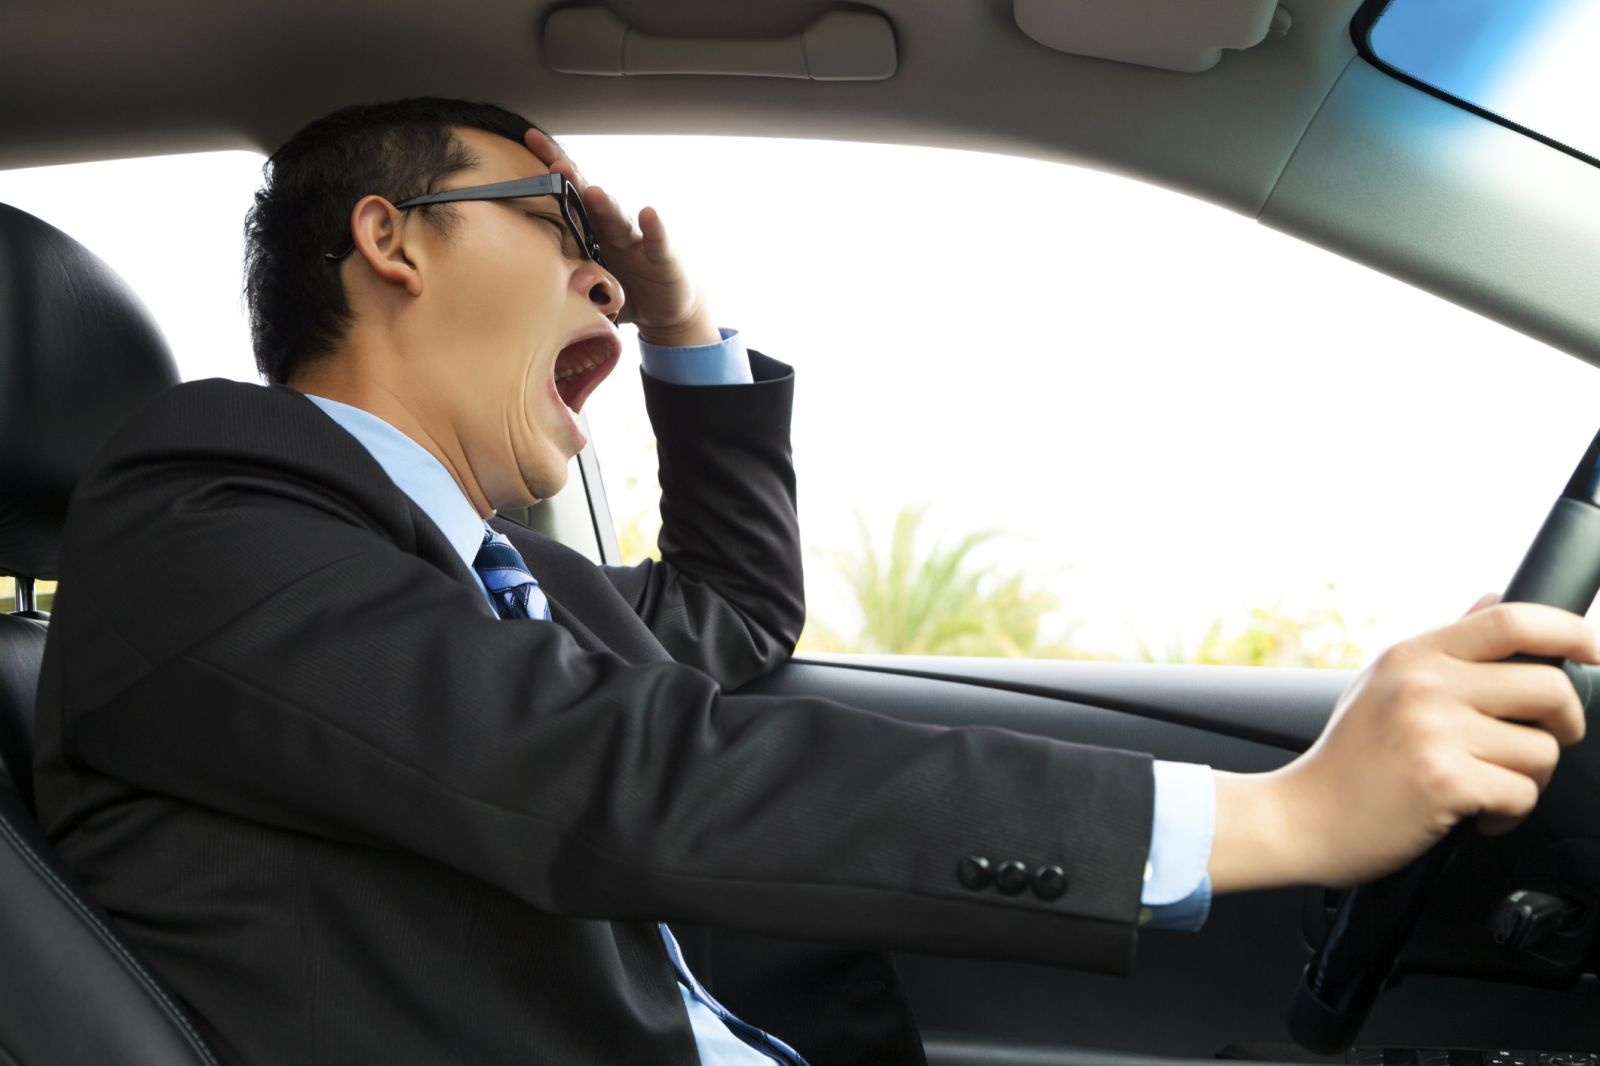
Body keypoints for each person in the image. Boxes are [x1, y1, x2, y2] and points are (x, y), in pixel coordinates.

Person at [32, 97, 1591, 1066]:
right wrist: (1276, 815)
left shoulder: (524, 593)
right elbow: (604, 767)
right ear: (391, 241)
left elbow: (732, 618)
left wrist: (683, 334)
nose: (598, 264)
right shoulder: (201, 513)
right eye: (554, 217)